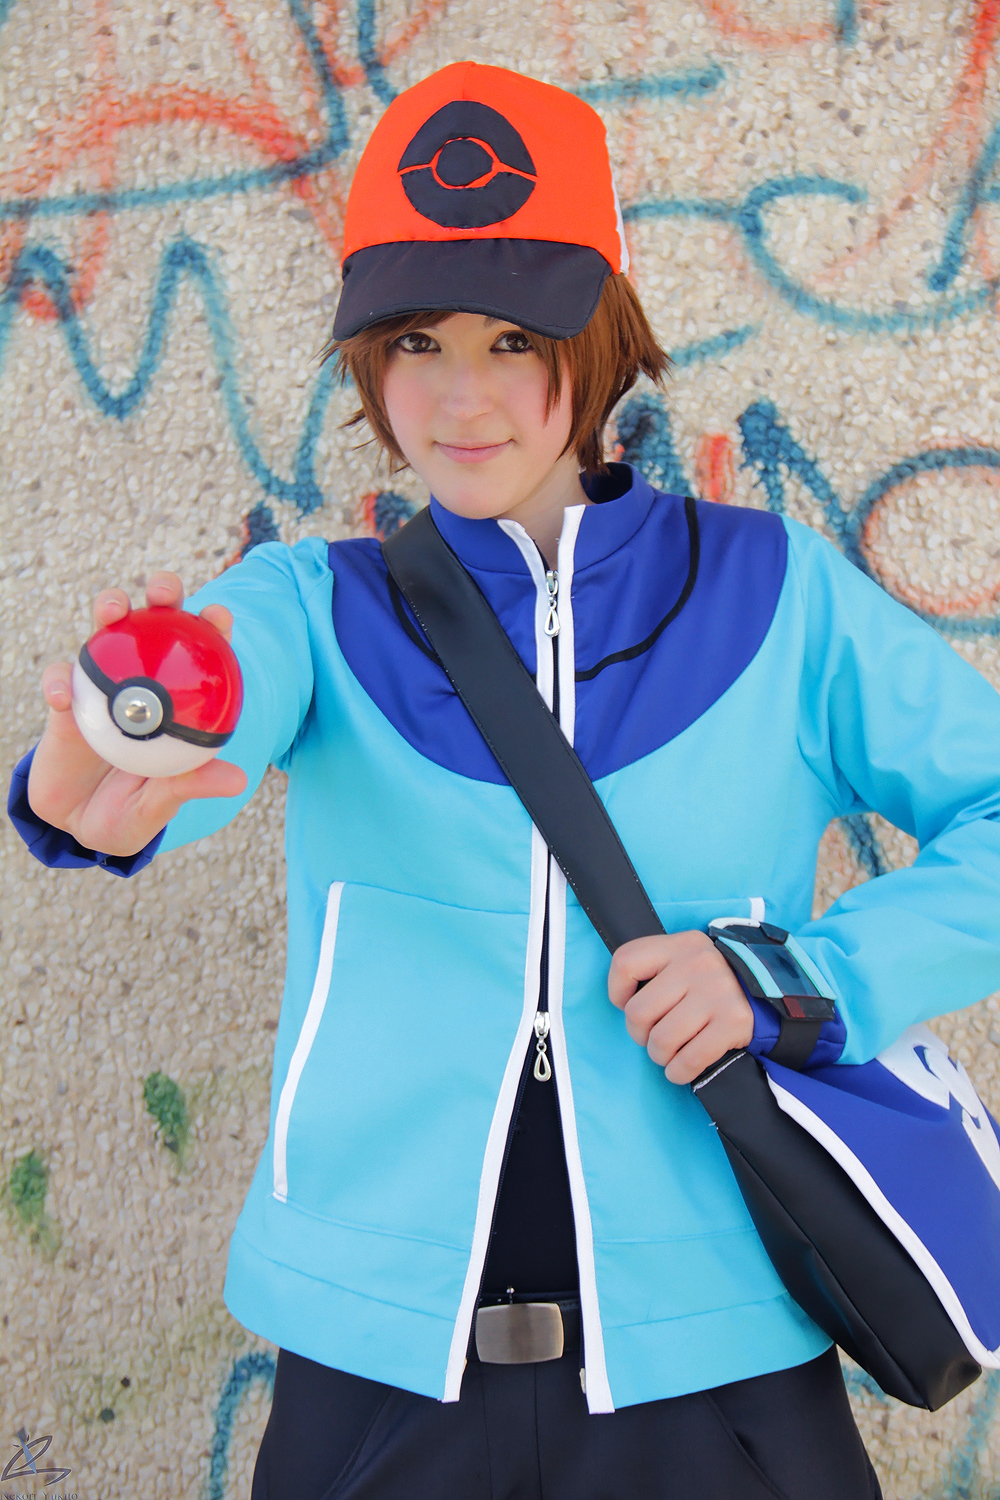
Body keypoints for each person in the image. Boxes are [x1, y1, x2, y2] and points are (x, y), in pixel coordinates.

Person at [11, 60, 1000, 1500]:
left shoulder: (777, 594)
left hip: (720, 1369)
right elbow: (193, 712)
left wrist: (799, 979)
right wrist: (94, 768)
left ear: (599, 337)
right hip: (372, 1387)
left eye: (514, 338)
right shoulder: (309, 606)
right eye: (416, 339)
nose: (461, 395)